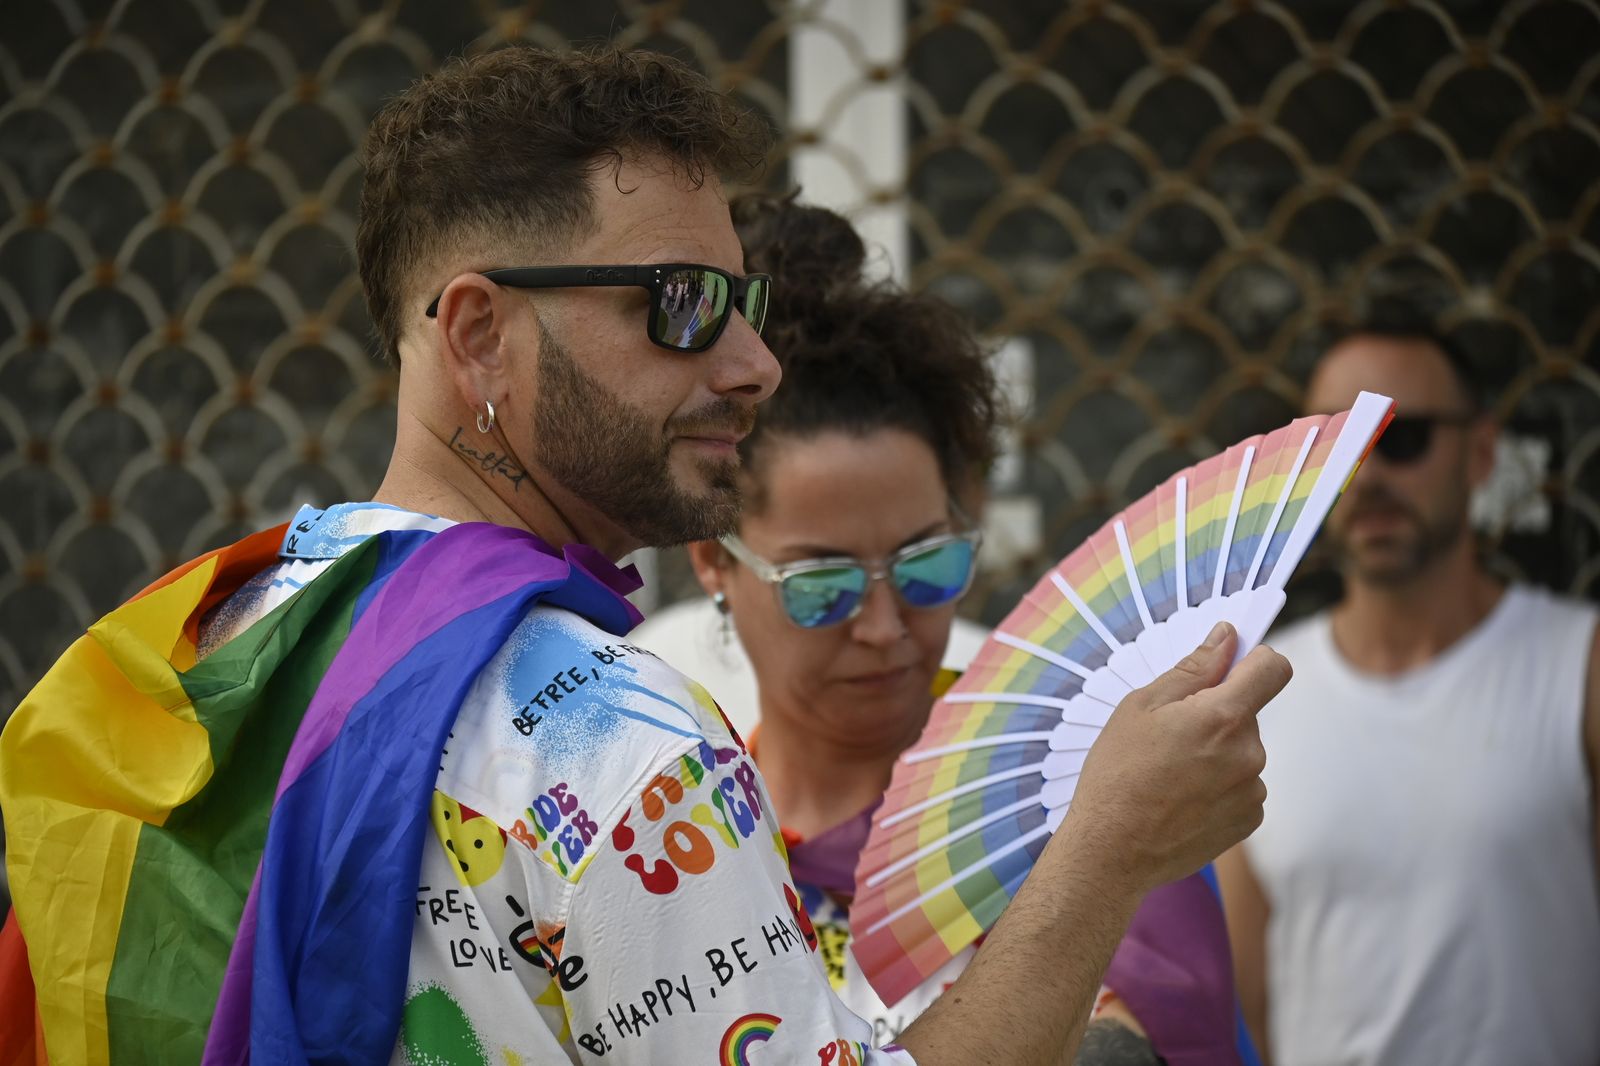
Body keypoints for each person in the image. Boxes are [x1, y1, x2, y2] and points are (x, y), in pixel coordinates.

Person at [0, 46, 1289, 1066]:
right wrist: (1111, 841)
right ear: (478, 334)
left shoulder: (222, 635)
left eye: (746, 307)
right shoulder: (617, 745)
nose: (754, 364)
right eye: (679, 306)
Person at [663, 193, 1260, 1066]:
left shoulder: (1082, 795)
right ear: (714, 562)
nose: (882, 627)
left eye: (925, 569)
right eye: (820, 585)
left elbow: (1155, 1020)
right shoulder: (682, 840)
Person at [1216, 319, 1600, 1066]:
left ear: (1481, 453)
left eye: (1400, 436)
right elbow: (1243, 1002)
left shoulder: (1579, 667)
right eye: (1337, 448)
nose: (1366, 476)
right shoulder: (1256, 698)